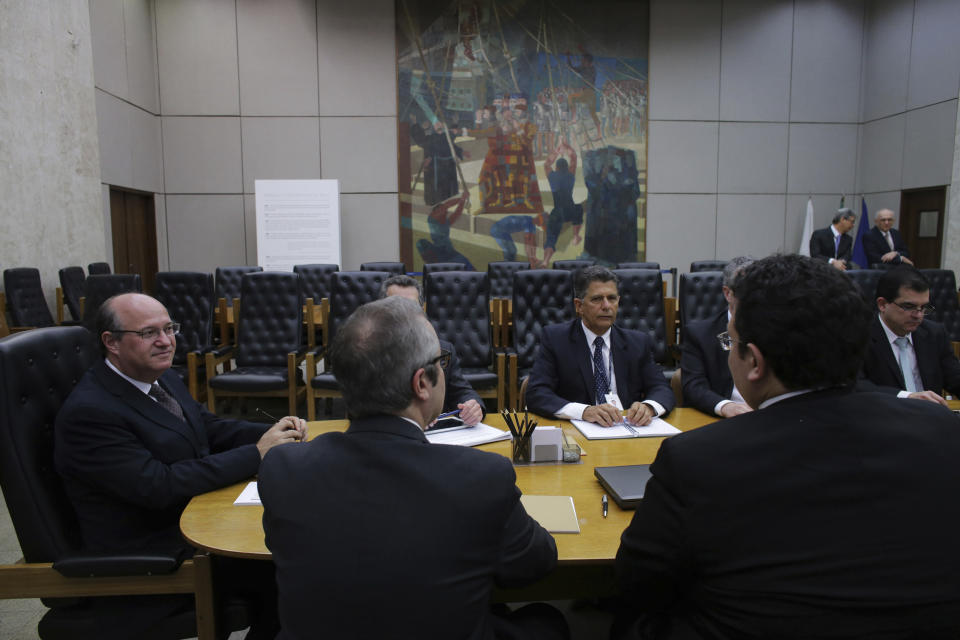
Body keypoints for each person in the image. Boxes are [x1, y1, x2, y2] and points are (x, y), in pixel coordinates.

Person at [614, 254, 960, 639]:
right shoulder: (945, 431)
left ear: (754, 362)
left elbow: (639, 585)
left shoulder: (696, 460)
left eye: (731, 341)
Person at [259, 296, 568, 640]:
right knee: (547, 620)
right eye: (442, 362)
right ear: (422, 383)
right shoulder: (482, 478)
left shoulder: (282, 468)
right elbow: (535, 563)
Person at [54, 293, 306, 638]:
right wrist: (257, 452)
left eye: (169, 328)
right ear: (111, 342)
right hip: (151, 548)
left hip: (189, 516)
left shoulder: (159, 376)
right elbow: (159, 485)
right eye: (148, 333)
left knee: (293, 543)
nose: (165, 341)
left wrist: (276, 430)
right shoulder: (92, 412)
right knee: (293, 564)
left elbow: (209, 427)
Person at [525, 266, 675, 426]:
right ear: (579, 306)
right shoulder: (556, 339)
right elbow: (537, 393)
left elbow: (662, 388)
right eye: (597, 299)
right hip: (577, 431)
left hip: (627, 429)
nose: (606, 306)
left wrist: (649, 406)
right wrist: (584, 411)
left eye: (611, 298)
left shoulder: (637, 342)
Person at [380, 274, 485, 426]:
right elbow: (361, 408)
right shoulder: (369, 351)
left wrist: (472, 407)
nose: (405, 313)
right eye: (397, 306)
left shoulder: (442, 349)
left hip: (437, 437)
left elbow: (461, 391)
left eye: (412, 307)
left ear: (422, 310)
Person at [858, 266, 960, 405]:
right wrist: (907, 396)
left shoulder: (935, 334)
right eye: (909, 306)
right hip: (882, 419)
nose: (918, 315)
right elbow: (857, 386)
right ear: (882, 304)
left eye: (924, 307)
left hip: (930, 419)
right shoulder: (858, 336)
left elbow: (955, 378)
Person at [679, 256, 754, 417]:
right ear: (728, 293)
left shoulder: (778, 328)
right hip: (725, 418)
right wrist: (726, 407)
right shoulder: (699, 333)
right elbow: (694, 386)